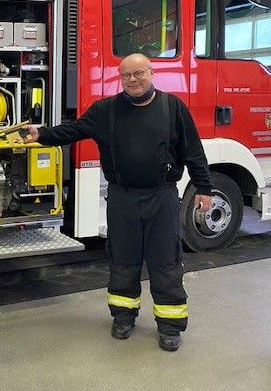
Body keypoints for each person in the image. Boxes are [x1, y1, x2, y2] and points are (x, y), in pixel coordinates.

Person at [22, 53, 212, 352]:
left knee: (165, 262)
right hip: (122, 197)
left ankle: (170, 325)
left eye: (139, 73)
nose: (133, 80)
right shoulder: (105, 111)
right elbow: (73, 130)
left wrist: (204, 186)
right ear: (120, 78)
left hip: (162, 195)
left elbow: (193, 151)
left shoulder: (172, 107)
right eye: (127, 75)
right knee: (123, 260)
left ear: (151, 73)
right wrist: (41, 134)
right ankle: (123, 316)